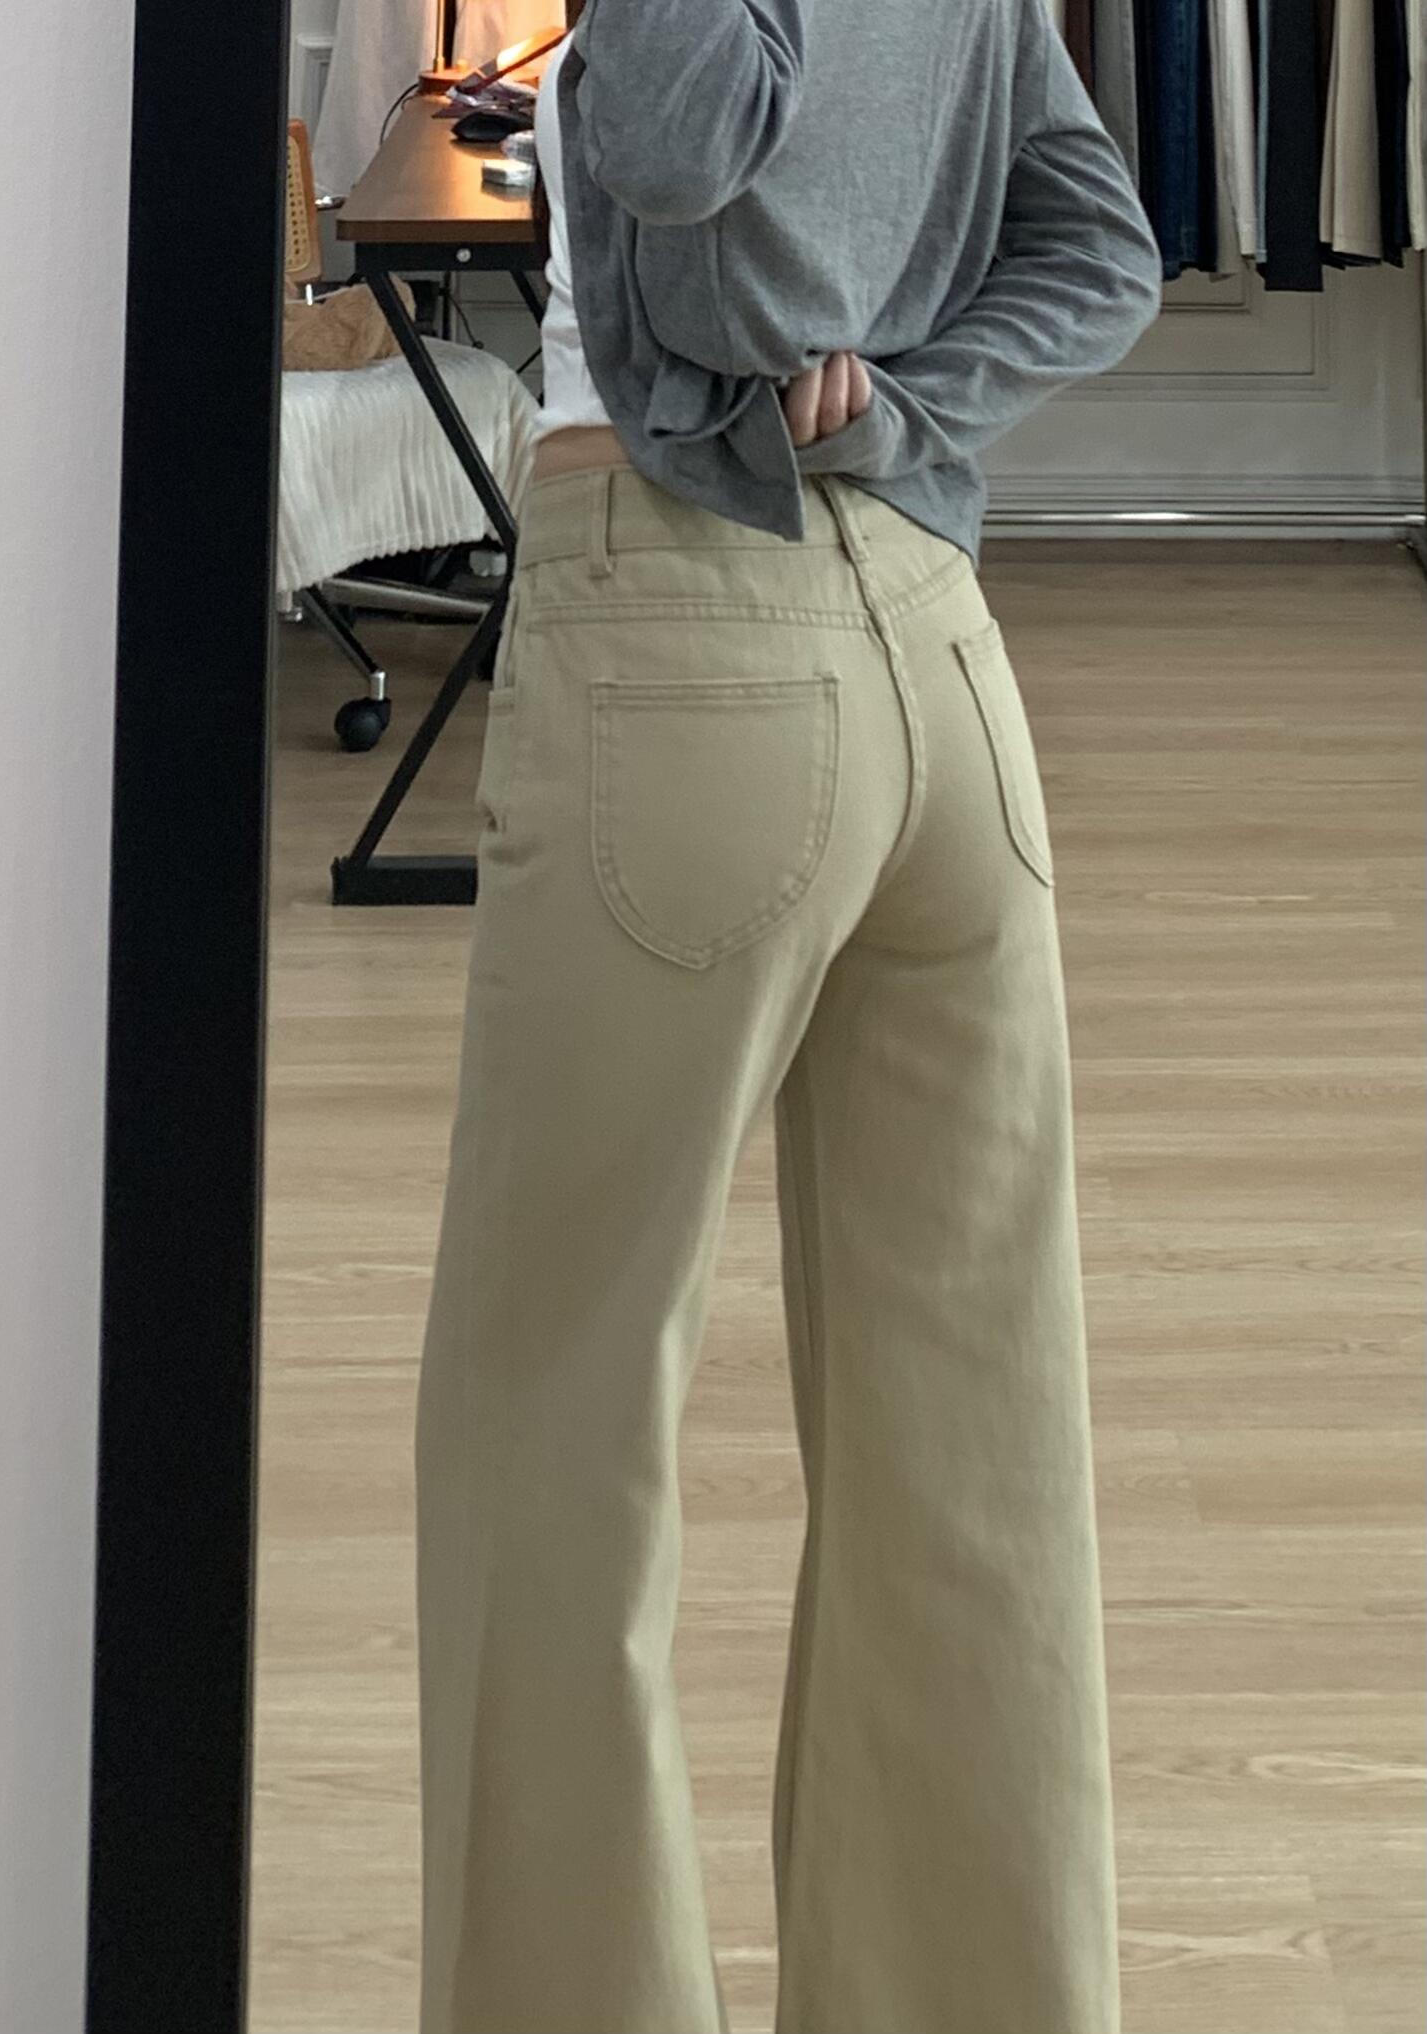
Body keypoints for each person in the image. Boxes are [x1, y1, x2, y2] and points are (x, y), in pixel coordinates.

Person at [415, 3, 1163, 2030]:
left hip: (687, 636)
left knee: (553, 1409)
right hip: (942, 669)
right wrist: (912, 408)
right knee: (969, 1435)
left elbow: (687, 166)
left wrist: (849, 376)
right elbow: (1096, 243)